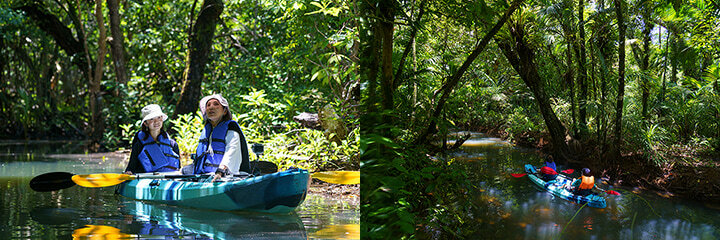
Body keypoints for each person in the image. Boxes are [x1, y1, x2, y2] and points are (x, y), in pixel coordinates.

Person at [190, 94, 250, 181]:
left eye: (216, 104)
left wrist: (221, 171)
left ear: (224, 111)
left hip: (226, 177)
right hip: (205, 177)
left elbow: (231, 152)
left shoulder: (231, 130)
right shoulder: (207, 131)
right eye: (208, 105)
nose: (211, 107)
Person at [124, 104, 181, 174]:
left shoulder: (173, 144)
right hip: (146, 182)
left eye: (159, 117)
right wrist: (128, 173)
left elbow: (179, 169)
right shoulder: (139, 145)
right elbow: (131, 168)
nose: (156, 121)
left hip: (168, 181)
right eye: (152, 119)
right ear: (145, 123)